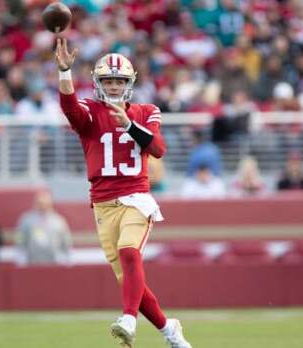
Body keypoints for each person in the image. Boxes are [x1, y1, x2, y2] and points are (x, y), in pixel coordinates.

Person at [54, 37, 191, 348]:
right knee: (132, 283)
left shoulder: (146, 111)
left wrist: (129, 124)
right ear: (98, 83)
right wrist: (64, 73)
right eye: (108, 81)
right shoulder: (89, 111)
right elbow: (69, 108)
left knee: (130, 252)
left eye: (119, 81)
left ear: (129, 83)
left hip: (136, 198)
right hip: (102, 204)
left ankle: (128, 320)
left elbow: (157, 149)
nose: (114, 86)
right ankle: (170, 330)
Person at [15, 191, 72, 266]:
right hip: (31, 263)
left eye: (45, 204)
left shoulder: (59, 221)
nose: (42, 206)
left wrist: (65, 259)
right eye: (40, 203)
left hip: (54, 264)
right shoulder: (26, 220)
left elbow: (66, 242)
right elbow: (20, 239)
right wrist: (21, 259)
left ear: (50, 204)